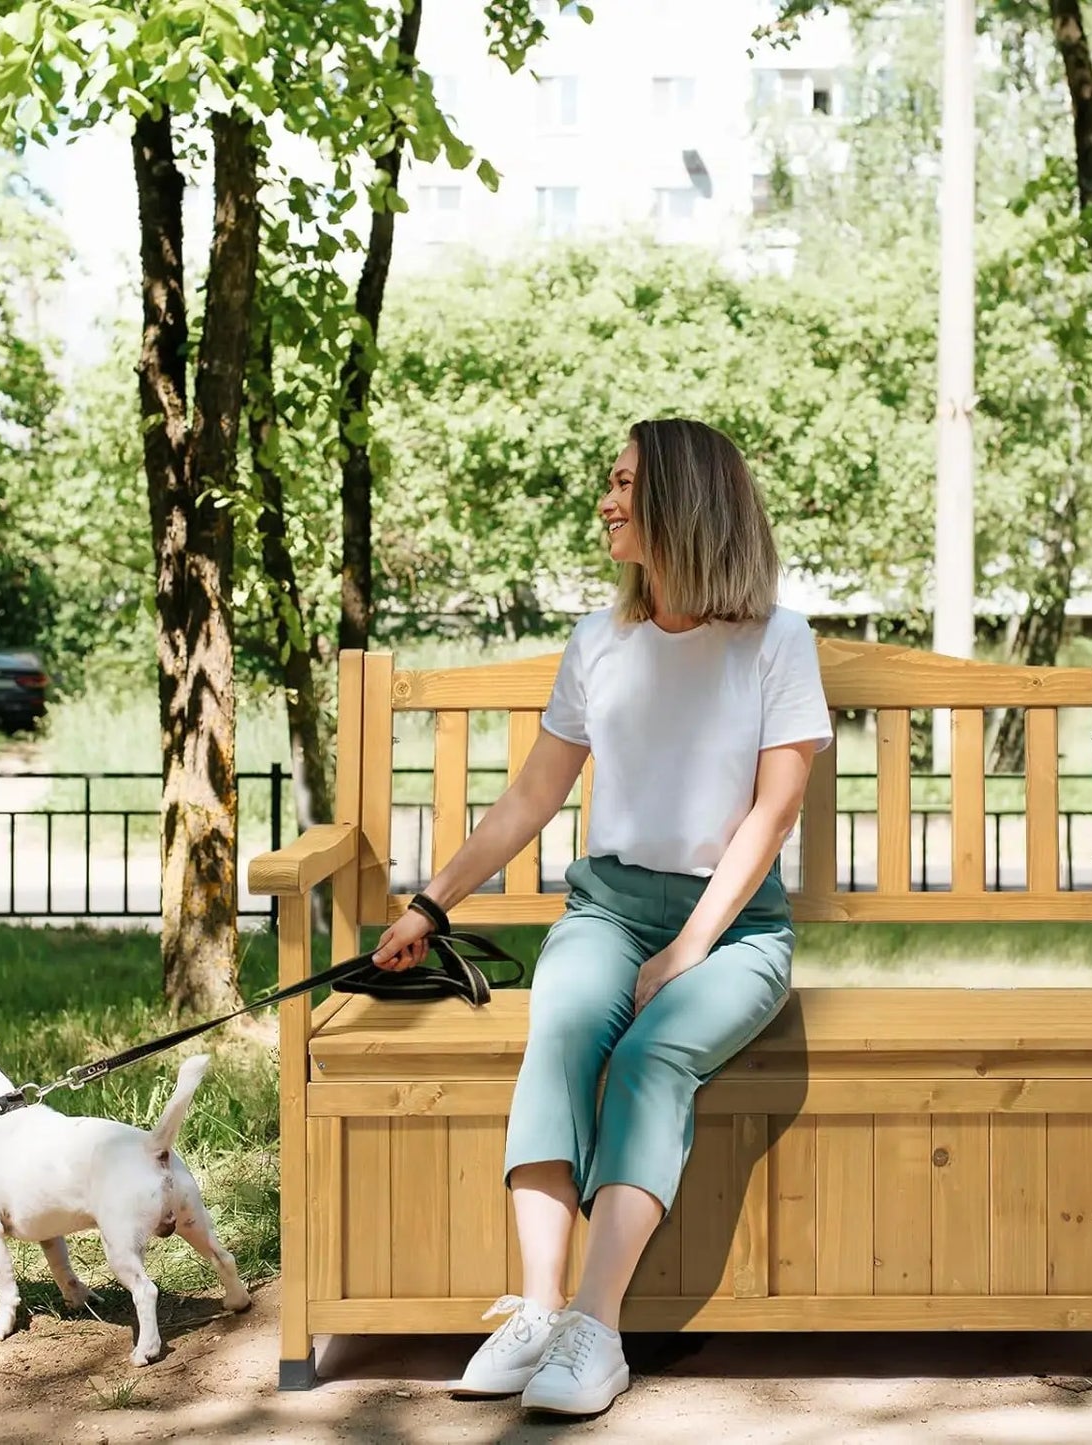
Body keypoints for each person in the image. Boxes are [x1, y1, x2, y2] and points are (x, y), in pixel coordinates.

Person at [370, 417, 834, 1417]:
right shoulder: (599, 640)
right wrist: (431, 901)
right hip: (607, 908)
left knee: (650, 1052)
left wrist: (686, 947)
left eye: (624, 483)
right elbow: (530, 797)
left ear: (681, 500)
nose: (605, 500)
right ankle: (534, 1314)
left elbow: (771, 812)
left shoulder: (775, 640)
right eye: (608, 480)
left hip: (735, 928)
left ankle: (593, 1325)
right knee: (564, 1025)